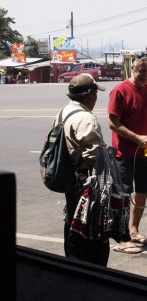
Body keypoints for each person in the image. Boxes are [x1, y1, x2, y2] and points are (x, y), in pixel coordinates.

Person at [107, 52, 147, 254]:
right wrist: (137, 137)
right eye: (142, 70)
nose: (146, 74)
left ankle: (134, 231)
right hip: (124, 152)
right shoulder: (120, 91)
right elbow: (112, 123)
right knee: (123, 196)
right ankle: (121, 238)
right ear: (132, 69)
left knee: (143, 191)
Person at [54, 73, 109, 266]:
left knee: (72, 220)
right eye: (95, 93)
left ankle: (73, 262)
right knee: (90, 224)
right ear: (89, 94)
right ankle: (92, 268)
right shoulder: (86, 118)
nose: (96, 98)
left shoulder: (63, 113)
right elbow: (95, 157)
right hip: (85, 179)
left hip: (69, 176)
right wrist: (109, 153)